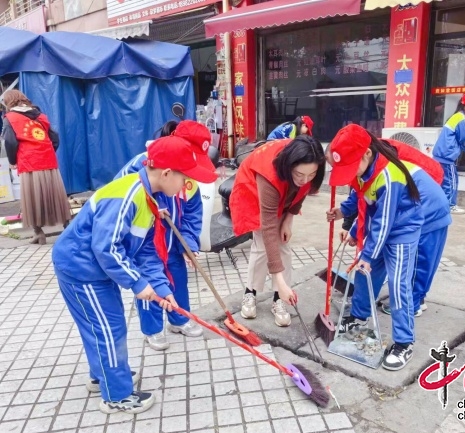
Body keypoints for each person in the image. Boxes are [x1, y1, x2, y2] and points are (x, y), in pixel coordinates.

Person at [51, 136, 217, 414]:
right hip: (81, 269)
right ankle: (117, 395)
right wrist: (138, 283)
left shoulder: (150, 197)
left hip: (96, 271)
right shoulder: (128, 195)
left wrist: (162, 289)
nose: (186, 186)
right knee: (108, 328)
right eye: (184, 178)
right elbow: (106, 248)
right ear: (166, 174)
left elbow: (146, 252)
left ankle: (102, 374)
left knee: (104, 325)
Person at [326, 124, 424, 371]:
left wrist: (368, 253)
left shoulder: (389, 176)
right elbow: (359, 196)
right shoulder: (363, 170)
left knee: (398, 284)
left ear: (367, 153)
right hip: (381, 230)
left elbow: (384, 221)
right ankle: (359, 316)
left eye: (350, 166)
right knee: (364, 272)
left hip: (401, 231)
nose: (349, 174)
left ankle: (404, 342)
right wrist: (342, 211)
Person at [116, 120, 216, 350]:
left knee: (178, 279)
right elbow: (121, 206)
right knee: (151, 284)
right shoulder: (142, 166)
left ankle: (179, 319)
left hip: (173, 243)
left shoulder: (189, 175)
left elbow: (192, 213)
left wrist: (189, 245)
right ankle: (152, 329)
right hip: (145, 242)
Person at [230, 135, 326, 326]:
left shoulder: (307, 167)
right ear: (290, 165)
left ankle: (279, 298)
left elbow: (302, 191)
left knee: (283, 245)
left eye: (311, 175)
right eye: (300, 175)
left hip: (283, 196)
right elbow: (268, 226)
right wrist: (279, 279)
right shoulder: (269, 173)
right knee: (261, 246)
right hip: (254, 195)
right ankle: (251, 292)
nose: (305, 179)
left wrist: (289, 218)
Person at [1, 89, 71, 244]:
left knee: (32, 198)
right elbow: (55, 137)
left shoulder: (10, 118)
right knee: (56, 195)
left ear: (8, 102)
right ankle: (68, 227)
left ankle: (39, 233)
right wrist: (47, 152)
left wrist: (13, 160)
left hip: (29, 162)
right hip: (49, 161)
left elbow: (10, 142)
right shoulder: (40, 115)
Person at [433, 93, 465, 215]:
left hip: (440, 156)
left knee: (443, 182)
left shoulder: (454, 117)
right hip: (447, 157)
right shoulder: (461, 119)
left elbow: (461, 140)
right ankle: (450, 205)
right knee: (452, 181)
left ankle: (441, 205)